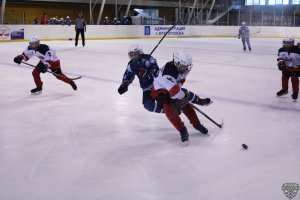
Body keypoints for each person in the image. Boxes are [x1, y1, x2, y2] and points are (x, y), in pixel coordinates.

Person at [117, 45, 211, 115]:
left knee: (178, 92)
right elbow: (128, 74)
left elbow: (156, 71)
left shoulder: (148, 59)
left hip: (158, 84)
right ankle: (171, 111)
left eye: (135, 54)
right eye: (131, 55)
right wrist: (124, 84)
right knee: (148, 105)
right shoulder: (131, 65)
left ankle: (199, 100)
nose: (133, 57)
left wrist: (147, 72)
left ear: (140, 53)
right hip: (146, 88)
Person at [151, 51, 209, 143]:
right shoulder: (169, 71)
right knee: (169, 108)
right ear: (177, 63)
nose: (186, 68)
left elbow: (178, 87)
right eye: (183, 66)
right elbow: (175, 92)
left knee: (186, 105)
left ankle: (197, 124)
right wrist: (187, 97)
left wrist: (186, 97)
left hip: (172, 89)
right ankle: (182, 130)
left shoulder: (182, 69)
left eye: (187, 66)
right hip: (160, 91)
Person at [13, 36, 77, 94]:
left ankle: (71, 82)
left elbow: (50, 59)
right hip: (43, 61)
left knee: (58, 76)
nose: (32, 46)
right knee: (35, 73)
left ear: (38, 43)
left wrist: (45, 66)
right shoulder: (30, 48)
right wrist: (19, 58)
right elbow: (25, 55)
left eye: (34, 44)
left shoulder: (44, 48)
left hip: (54, 61)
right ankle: (39, 87)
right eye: (31, 44)